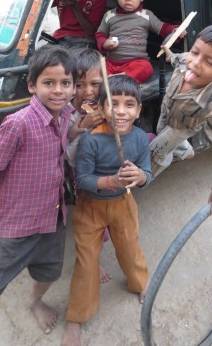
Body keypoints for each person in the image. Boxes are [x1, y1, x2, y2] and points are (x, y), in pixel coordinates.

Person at [0, 45, 77, 346]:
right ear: (32, 85)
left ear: (74, 87)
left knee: (50, 269)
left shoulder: (67, 114)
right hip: (12, 228)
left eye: (66, 83)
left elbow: (65, 139)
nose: (58, 91)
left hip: (52, 217)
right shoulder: (18, 124)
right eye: (48, 83)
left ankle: (34, 301)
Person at [62, 75, 151, 346]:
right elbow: (82, 180)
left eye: (129, 104)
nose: (121, 111)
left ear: (138, 110)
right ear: (101, 108)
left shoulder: (138, 139)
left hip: (123, 205)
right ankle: (76, 317)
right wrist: (110, 181)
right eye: (113, 104)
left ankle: (140, 283)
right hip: (91, 207)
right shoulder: (92, 140)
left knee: (130, 248)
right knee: (87, 261)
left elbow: (147, 172)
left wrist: (140, 176)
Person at [150, 24, 212, 215]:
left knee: (156, 151)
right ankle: (185, 150)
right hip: (167, 111)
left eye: (209, 62)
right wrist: (167, 51)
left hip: (181, 128)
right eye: (195, 52)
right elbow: (176, 59)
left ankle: (148, 172)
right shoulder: (186, 61)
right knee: (160, 130)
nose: (195, 63)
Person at [66, 47, 112, 283]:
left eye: (95, 84)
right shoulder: (67, 111)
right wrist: (82, 126)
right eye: (80, 84)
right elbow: (71, 156)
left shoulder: (107, 103)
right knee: (92, 227)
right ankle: (92, 261)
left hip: (107, 175)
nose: (88, 92)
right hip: (84, 180)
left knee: (107, 219)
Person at [95, 0, 186, 83]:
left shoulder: (146, 15)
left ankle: (119, 78)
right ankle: (118, 79)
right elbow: (100, 34)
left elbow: (162, 28)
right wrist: (105, 44)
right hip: (111, 63)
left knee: (146, 67)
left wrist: (174, 30)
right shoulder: (109, 15)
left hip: (135, 63)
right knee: (95, 67)